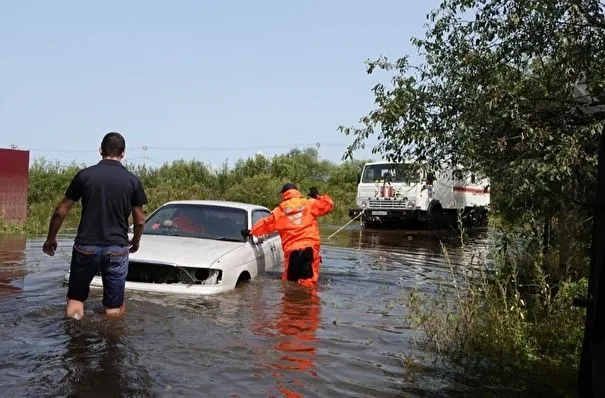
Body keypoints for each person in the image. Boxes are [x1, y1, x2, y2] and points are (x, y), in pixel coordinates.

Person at [42, 132, 148, 320]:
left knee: (75, 301)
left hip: (85, 247)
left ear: (100, 150)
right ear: (123, 153)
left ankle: (75, 343)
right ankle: (112, 344)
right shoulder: (132, 181)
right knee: (114, 308)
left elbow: (61, 211)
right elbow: (139, 220)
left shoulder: (85, 175)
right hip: (116, 248)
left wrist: (51, 238)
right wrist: (136, 241)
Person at [244, 183, 333, 287]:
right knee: (309, 286)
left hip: (292, 253)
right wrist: (318, 196)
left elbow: (265, 224)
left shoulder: (279, 211)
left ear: (283, 195)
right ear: (297, 191)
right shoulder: (310, 204)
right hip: (310, 250)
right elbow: (328, 205)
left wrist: (251, 231)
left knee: (289, 284)